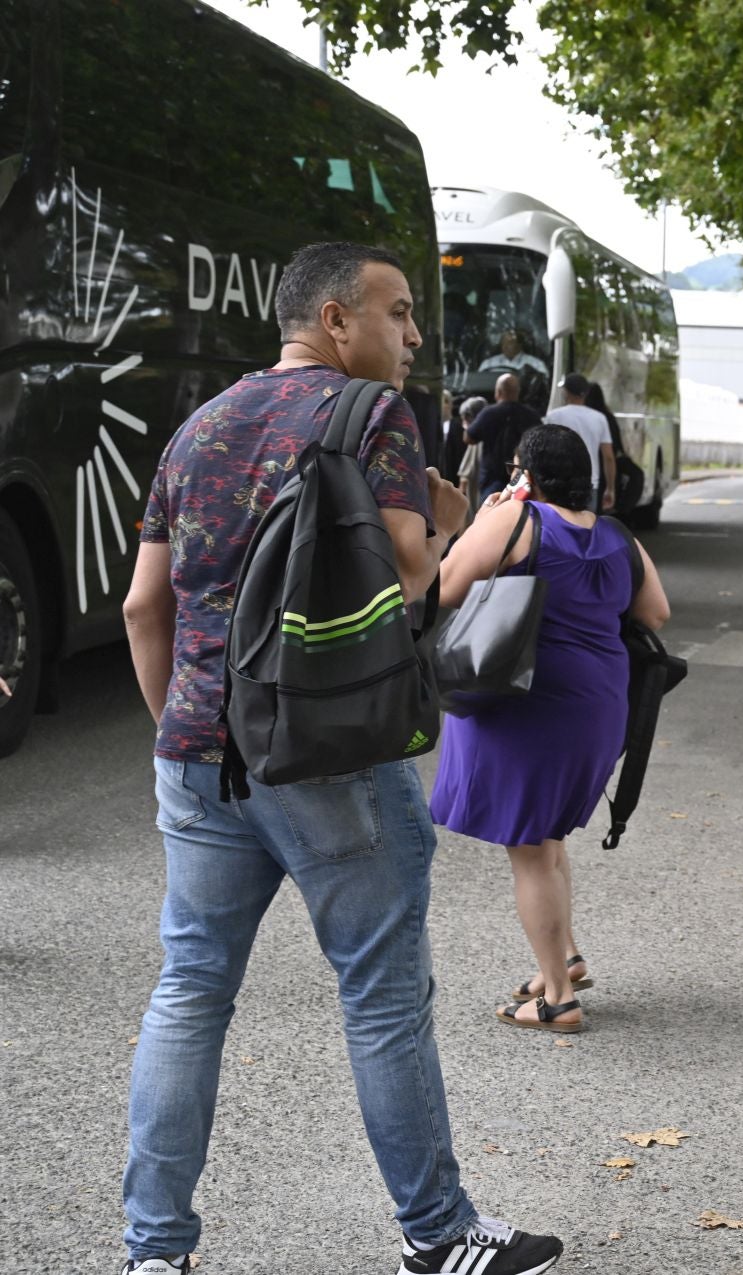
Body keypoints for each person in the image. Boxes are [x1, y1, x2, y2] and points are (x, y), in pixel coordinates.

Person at [118, 241, 562, 1275]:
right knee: (382, 997)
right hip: (330, 757)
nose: (412, 337)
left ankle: (153, 1254)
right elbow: (413, 573)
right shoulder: (373, 417)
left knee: (189, 991)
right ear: (333, 320)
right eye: (398, 314)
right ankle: (439, 1236)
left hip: (197, 758)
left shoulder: (197, 426)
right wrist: (466, 533)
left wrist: (181, 730)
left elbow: (148, 603)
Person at [431, 425, 669, 1034]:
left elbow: (444, 589)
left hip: (526, 701)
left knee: (531, 852)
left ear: (526, 475)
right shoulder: (617, 535)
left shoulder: (516, 520)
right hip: (598, 707)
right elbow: (656, 612)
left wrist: (472, 524)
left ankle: (558, 999)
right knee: (550, 838)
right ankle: (565, 957)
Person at [545, 372, 617, 511]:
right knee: (587, 528)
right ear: (585, 393)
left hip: (559, 483)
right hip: (590, 484)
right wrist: (610, 488)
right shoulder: (599, 418)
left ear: (566, 392)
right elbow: (608, 457)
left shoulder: (553, 417)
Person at [465, 372, 541, 500]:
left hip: (492, 480)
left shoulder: (488, 413)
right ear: (518, 392)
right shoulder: (531, 415)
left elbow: (468, 438)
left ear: (498, 392)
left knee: (491, 515)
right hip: (523, 480)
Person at [478, 327, 549, 378]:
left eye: (510, 343)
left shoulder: (536, 364)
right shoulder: (488, 364)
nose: (505, 346)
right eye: (503, 343)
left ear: (519, 345)